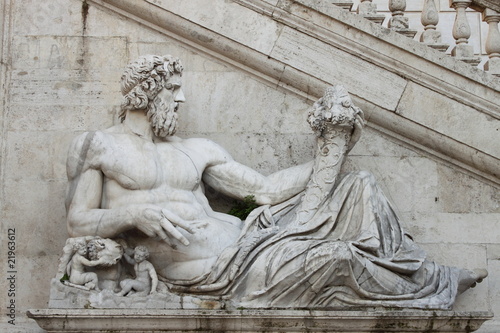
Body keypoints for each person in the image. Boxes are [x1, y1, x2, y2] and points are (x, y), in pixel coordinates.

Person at [65, 54, 485, 309]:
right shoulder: (99, 146)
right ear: (148, 92)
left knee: (359, 185)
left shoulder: (195, 149)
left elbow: (265, 190)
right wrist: (132, 213)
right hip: (204, 270)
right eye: (174, 89)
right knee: (336, 258)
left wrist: (330, 150)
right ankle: (429, 286)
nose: (182, 99)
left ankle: (423, 276)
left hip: (249, 244)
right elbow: (78, 221)